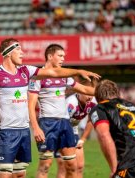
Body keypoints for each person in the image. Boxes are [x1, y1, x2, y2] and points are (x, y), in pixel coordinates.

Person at [0, 38, 100, 178]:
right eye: (18, 50)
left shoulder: (26, 71)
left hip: (24, 131)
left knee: (20, 174)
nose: (22, 53)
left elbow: (54, 73)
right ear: (8, 53)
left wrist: (78, 72)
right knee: (7, 175)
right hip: (8, 132)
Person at [28, 44, 96, 178]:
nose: (63, 59)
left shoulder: (64, 76)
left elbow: (84, 89)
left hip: (65, 124)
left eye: (63, 56)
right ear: (49, 56)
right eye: (60, 56)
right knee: (45, 166)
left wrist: (106, 93)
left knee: (72, 166)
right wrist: (35, 127)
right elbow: (30, 105)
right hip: (47, 123)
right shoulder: (37, 77)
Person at [89, 79, 135, 178]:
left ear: (97, 97)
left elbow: (103, 135)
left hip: (133, 162)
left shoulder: (101, 108)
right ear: (117, 93)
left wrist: (114, 168)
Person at [55, 79, 97, 178]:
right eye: (87, 93)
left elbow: (91, 120)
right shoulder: (71, 103)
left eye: (92, 93)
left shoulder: (93, 102)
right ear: (78, 91)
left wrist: (83, 139)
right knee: (63, 167)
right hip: (59, 132)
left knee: (79, 166)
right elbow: (59, 123)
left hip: (73, 131)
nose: (90, 96)